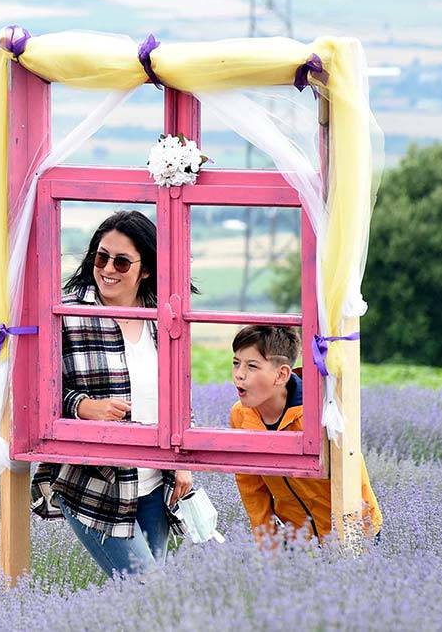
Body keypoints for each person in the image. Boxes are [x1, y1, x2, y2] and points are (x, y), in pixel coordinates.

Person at [31, 210, 193, 578]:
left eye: (121, 261)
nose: (108, 269)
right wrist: (84, 406)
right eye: (101, 257)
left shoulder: (163, 317)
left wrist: (184, 461)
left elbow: (180, 395)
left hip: (156, 484)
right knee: (148, 590)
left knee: (146, 604)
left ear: (146, 269)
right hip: (96, 484)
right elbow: (37, 392)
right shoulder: (66, 313)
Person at [228, 325, 383, 544]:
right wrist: (267, 541)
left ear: (281, 374)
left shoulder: (320, 414)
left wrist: (354, 541)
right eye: (236, 363)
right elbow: (250, 484)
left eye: (252, 366)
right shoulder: (240, 415)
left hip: (353, 532)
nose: (239, 375)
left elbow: (352, 479)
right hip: (299, 539)